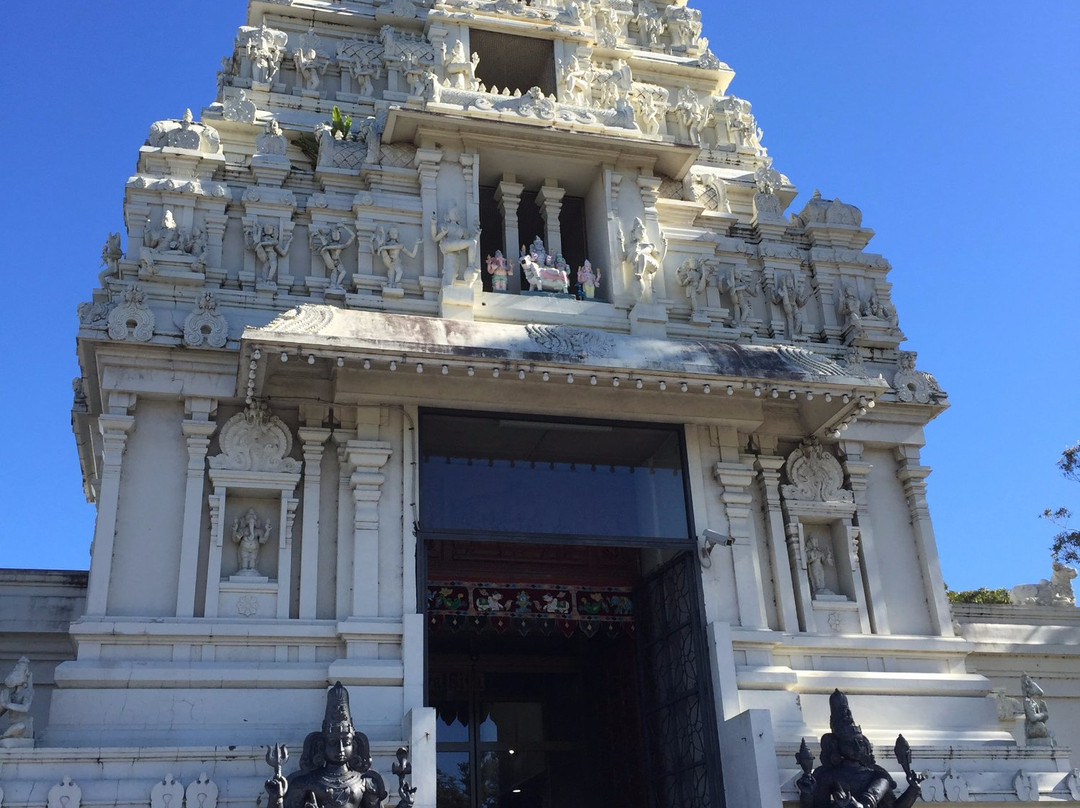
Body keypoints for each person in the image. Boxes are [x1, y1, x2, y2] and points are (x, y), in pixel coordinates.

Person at [265, 683, 387, 808]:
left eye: (346, 743)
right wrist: (276, 798)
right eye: (333, 742)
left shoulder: (364, 783)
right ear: (321, 745)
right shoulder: (305, 783)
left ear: (354, 746)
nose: (340, 749)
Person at [798, 690, 921, 808]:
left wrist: (913, 789)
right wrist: (807, 794)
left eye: (860, 743)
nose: (857, 747)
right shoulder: (828, 776)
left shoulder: (877, 775)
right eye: (850, 743)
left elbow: (893, 806)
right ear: (836, 745)